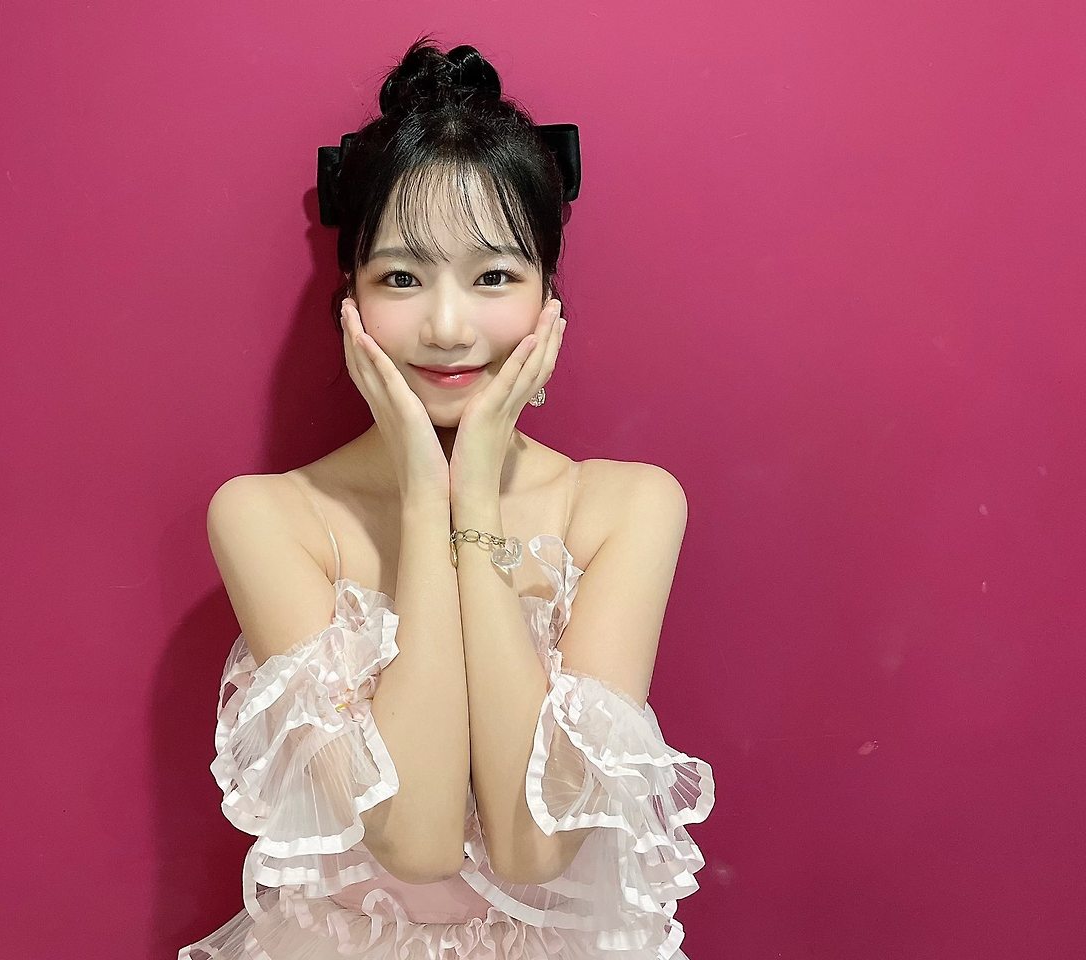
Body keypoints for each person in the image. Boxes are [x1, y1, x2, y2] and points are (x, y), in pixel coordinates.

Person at [179, 35, 715, 960]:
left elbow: (536, 846)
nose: (448, 326)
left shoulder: (626, 507)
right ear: (349, 301)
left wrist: (478, 505)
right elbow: (417, 840)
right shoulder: (268, 518)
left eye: (495, 276)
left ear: (549, 297)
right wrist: (428, 499)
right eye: (401, 277)